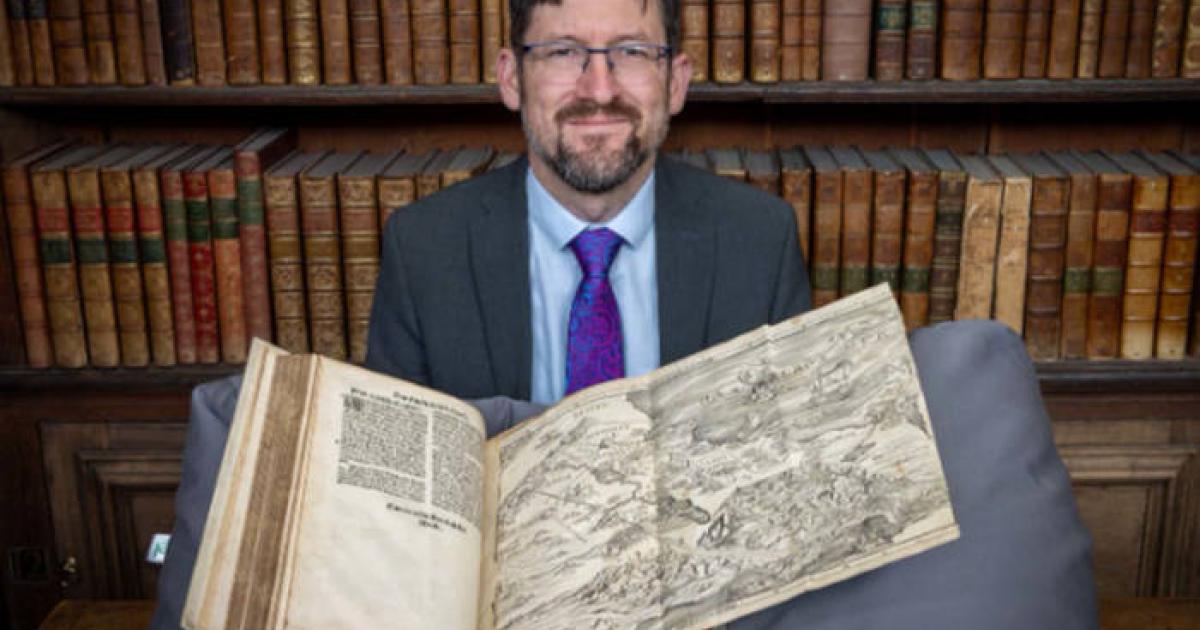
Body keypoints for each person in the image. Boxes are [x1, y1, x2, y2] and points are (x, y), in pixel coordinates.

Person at [362, 0, 811, 402]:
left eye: (632, 52)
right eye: (563, 51)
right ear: (512, 78)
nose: (599, 91)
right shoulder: (423, 250)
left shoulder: (761, 241)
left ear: (675, 83)